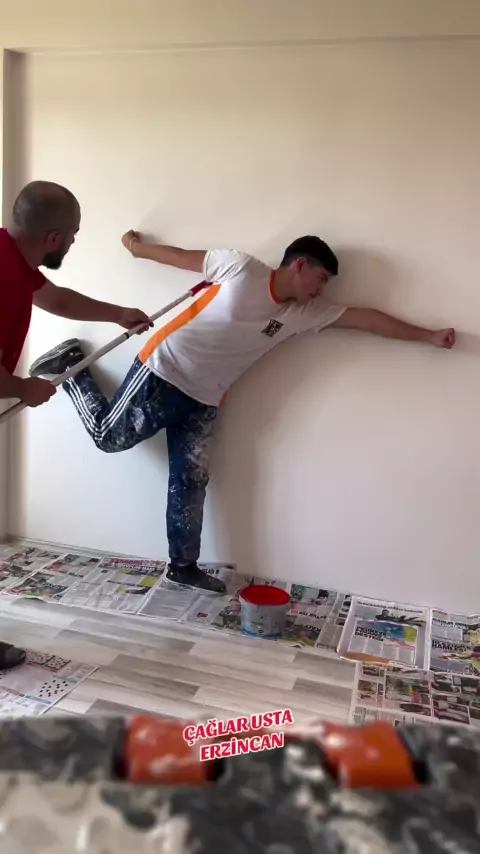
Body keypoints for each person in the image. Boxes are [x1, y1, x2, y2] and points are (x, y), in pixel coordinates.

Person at [29, 231, 456, 596]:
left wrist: (428, 336)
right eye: (321, 279)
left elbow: (366, 319)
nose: (322, 289)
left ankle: (183, 567)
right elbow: (181, 257)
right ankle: (70, 368)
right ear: (300, 265)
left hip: (205, 398)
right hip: (163, 370)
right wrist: (137, 248)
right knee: (109, 438)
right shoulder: (240, 268)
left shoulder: (303, 314)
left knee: (190, 480)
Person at [0, 181, 151, 668]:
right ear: (53, 238)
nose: (72, 242)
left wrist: (118, 314)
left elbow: (59, 301)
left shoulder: (12, 260)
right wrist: (22, 387)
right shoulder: (4, 276)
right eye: (73, 235)